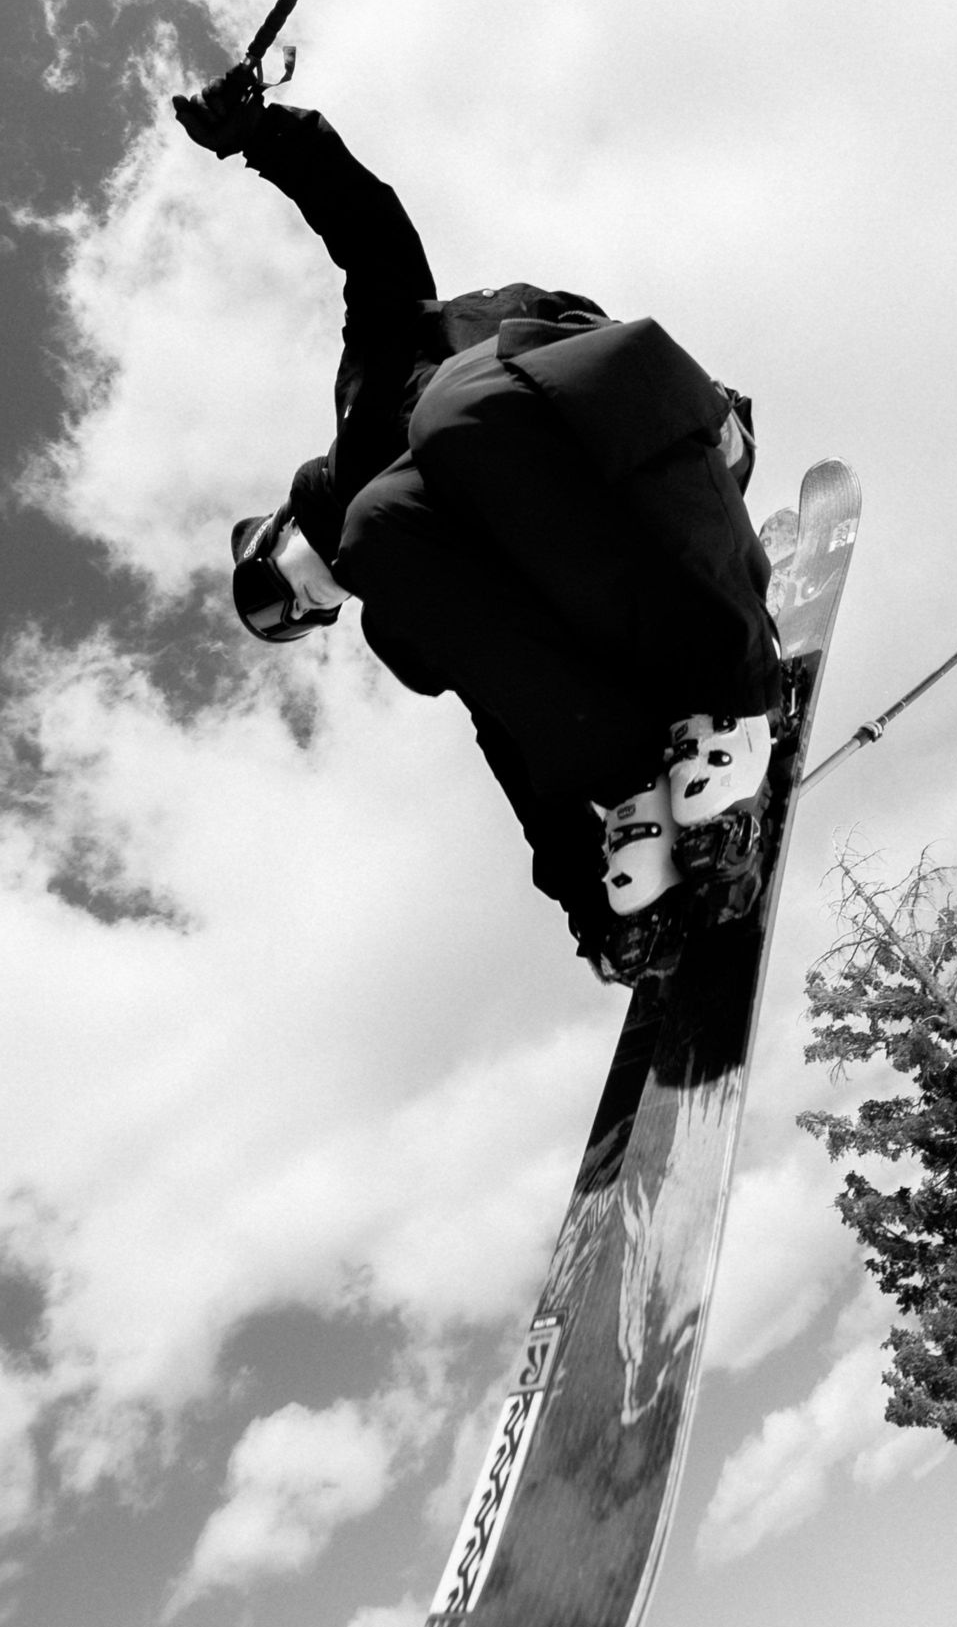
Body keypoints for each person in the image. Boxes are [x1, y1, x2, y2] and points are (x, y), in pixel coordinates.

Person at [175, 62, 782, 980]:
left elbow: (370, 235)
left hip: (629, 435)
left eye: (279, 598)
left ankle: (726, 682)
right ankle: (636, 782)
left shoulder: (375, 397)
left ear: (278, 534)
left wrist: (264, 137)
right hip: (603, 586)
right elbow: (508, 729)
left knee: (446, 421)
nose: (311, 610)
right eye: (301, 625)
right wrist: (586, 902)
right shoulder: (397, 568)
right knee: (390, 559)